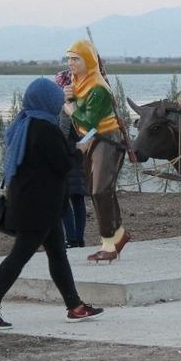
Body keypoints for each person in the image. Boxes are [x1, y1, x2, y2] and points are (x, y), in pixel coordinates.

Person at [0, 78, 104, 330]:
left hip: (38, 204)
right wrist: (81, 149)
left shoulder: (25, 123)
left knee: (58, 255)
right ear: (47, 101)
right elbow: (63, 164)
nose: (59, 104)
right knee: (19, 256)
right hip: (39, 207)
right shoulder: (45, 128)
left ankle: (75, 306)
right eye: (57, 100)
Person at [62, 40, 130, 262]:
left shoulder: (98, 87)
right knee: (100, 190)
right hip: (92, 141)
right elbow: (83, 125)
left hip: (107, 140)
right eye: (69, 58)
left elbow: (89, 121)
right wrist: (71, 98)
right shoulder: (79, 83)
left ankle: (109, 243)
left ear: (88, 60)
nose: (70, 63)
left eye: (76, 59)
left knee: (100, 190)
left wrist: (71, 108)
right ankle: (118, 235)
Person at [55, 70, 88, 248]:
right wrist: (84, 143)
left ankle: (72, 239)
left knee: (65, 200)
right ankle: (79, 238)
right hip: (78, 157)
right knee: (77, 198)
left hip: (67, 157)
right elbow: (91, 129)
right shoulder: (83, 105)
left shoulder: (66, 108)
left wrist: (64, 113)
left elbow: (62, 133)